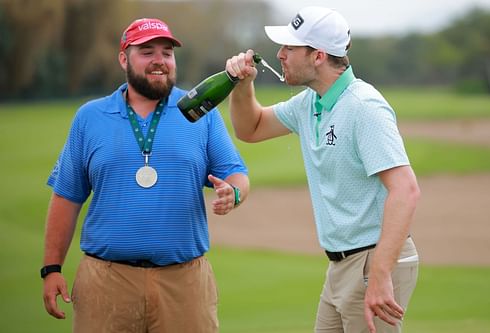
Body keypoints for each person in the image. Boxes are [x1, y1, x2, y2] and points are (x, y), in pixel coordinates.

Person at [41, 17, 249, 333]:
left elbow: (237, 174)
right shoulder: (90, 117)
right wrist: (52, 268)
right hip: (106, 281)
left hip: (184, 283)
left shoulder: (200, 111)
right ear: (124, 58)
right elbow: (66, 196)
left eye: (167, 52)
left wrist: (232, 193)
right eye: (147, 51)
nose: (159, 61)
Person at [226, 6, 420, 333]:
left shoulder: (363, 106)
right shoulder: (309, 103)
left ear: (317, 56)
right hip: (340, 267)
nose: (280, 54)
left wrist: (381, 276)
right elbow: (251, 128)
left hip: (373, 263)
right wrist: (243, 85)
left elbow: (406, 189)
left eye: (290, 48)